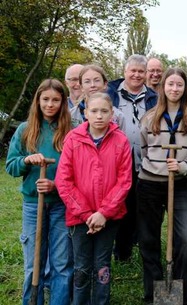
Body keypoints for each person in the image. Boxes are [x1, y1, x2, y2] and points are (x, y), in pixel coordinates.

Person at [137, 68, 187, 304]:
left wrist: (183, 167)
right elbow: (144, 149)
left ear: (185, 88)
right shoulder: (149, 117)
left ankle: (183, 292)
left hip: (181, 184)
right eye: (170, 84)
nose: (174, 89)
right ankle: (154, 292)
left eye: (179, 85)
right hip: (149, 184)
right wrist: (156, 167)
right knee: (148, 239)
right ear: (163, 87)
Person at [55, 92, 132, 305]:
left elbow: (124, 181)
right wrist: (87, 214)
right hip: (80, 218)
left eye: (104, 111)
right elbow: (64, 180)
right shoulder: (73, 139)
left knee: (102, 264)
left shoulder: (121, 141)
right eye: (94, 111)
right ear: (85, 112)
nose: (99, 116)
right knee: (81, 266)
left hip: (109, 218)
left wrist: (103, 213)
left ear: (112, 114)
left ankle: (101, 301)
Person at [6, 78, 73, 305]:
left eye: (56, 100)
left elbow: (78, 169)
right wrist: (26, 159)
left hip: (61, 204)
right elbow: (11, 166)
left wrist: (57, 185)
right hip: (34, 204)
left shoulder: (70, 131)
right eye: (45, 99)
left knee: (61, 263)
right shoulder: (26, 130)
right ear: (38, 100)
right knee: (33, 262)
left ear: (63, 102)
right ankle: (32, 301)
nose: (50, 104)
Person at [107, 54, 158, 262]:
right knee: (121, 206)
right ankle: (121, 251)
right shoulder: (111, 94)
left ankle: (144, 249)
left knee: (142, 208)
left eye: (140, 71)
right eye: (132, 71)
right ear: (125, 71)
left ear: (146, 74)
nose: (136, 75)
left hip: (145, 162)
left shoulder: (154, 97)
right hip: (119, 162)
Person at [70, 65, 125, 129]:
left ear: (105, 84)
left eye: (97, 80)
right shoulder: (71, 115)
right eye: (87, 81)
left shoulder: (118, 116)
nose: (92, 85)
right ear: (81, 87)